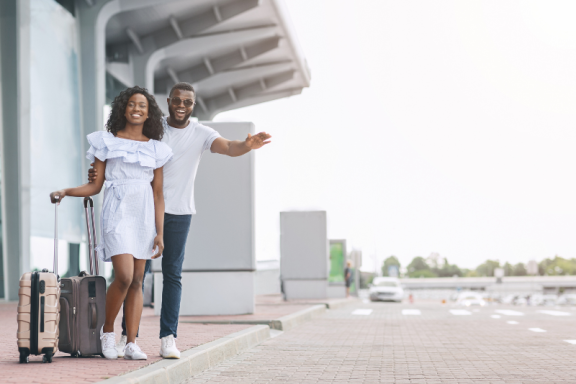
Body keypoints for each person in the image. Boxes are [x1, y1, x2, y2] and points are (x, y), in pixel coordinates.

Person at [89, 82, 272, 359]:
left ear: (193, 105)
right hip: (144, 210)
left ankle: (167, 338)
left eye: (187, 102)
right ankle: (128, 336)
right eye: (177, 100)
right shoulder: (154, 129)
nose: (181, 106)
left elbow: (229, 147)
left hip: (180, 213)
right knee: (135, 276)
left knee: (172, 274)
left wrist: (247, 145)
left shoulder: (201, 133)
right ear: (168, 101)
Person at [52, 86, 173, 360]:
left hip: (144, 214)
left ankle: (131, 343)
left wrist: (160, 233)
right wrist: (66, 191)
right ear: (122, 108)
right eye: (132, 104)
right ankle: (107, 333)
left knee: (138, 280)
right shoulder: (106, 142)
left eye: (142, 105)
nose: (137, 109)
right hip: (117, 211)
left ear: (149, 112)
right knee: (124, 276)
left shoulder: (156, 149)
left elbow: (158, 194)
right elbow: (95, 186)